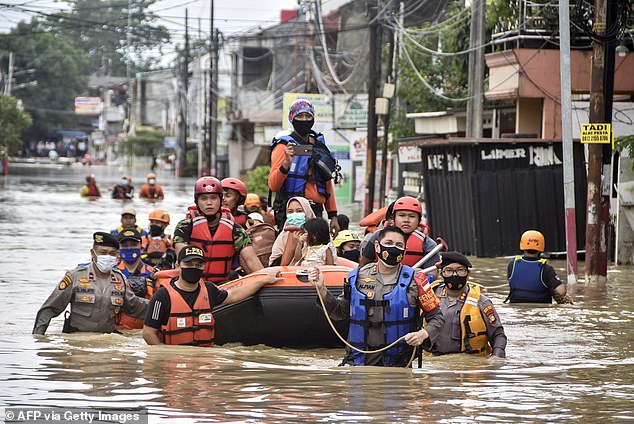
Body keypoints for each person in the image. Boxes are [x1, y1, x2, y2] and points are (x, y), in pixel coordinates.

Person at [309, 226, 444, 367]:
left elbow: (437, 317)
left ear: (404, 251)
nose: (394, 248)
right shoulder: (357, 276)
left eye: (399, 245)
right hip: (358, 362)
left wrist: (423, 334)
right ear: (377, 246)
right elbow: (339, 312)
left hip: (399, 364)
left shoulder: (416, 279)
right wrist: (321, 288)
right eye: (389, 243)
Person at [142, 245, 281, 346]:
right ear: (178, 266)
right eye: (188, 264)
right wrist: (165, 358)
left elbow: (233, 295)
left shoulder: (209, 290)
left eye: (198, 264)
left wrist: (263, 280)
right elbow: (148, 333)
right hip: (175, 359)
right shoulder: (162, 296)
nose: (194, 268)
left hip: (204, 357)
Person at [33, 232, 148, 335]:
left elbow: (135, 306)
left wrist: (161, 304)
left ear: (117, 255)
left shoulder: (120, 279)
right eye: (103, 252)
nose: (108, 257)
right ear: (93, 254)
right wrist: (38, 338)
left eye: (112, 253)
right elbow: (49, 309)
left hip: (106, 342)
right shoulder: (75, 276)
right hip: (77, 340)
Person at [173, 176, 264, 284]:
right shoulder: (184, 227)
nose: (209, 203)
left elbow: (251, 260)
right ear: (196, 201)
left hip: (221, 286)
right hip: (190, 283)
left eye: (213, 198)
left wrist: (265, 278)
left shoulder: (235, 229)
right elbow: (184, 259)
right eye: (204, 198)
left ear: (221, 200)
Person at [268, 98, 340, 235]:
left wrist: (333, 215)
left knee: (316, 252)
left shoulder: (318, 146)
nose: (304, 120)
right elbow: (273, 185)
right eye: (300, 116)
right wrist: (286, 163)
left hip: (316, 211)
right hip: (292, 212)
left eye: (308, 116)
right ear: (292, 118)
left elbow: (326, 182)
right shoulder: (283, 146)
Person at [429, 252, 507, 358]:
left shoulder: (482, 302)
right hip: (434, 363)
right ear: (441, 273)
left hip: (471, 363)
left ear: (468, 274)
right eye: (449, 270)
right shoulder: (429, 297)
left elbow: (498, 334)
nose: (455, 274)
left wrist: (497, 357)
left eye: (460, 270)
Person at [360, 197, 439, 276]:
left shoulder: (428, 244)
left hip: (411, 284)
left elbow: (433, 274)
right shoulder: (377, 236)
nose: (406, 220)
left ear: (419, 220)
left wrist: (420, 275)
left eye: (412, 216)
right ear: (393, 218)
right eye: (401, 215)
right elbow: (363, 265)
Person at [507, 230, 572, 304]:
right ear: (541, 245)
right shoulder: (546, 269)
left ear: (522, 245)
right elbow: (561, 291)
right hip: (540, 309)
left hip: (516, 307)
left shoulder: (512, 264)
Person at [114, 227, 156, 330]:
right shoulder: (112, 272)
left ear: (141, 247)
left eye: (133, 245)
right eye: (125, 245)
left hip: (144, 329)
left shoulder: (153, 273)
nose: (129, 248)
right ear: (118, 249)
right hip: (118, 329)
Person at [269, 196, 315, 266]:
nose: (295, 214)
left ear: (307, 212)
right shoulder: (283, 236)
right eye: (290, 212)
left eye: (299, 211)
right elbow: (275, 264)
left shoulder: (317, 232)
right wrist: (292, 242)